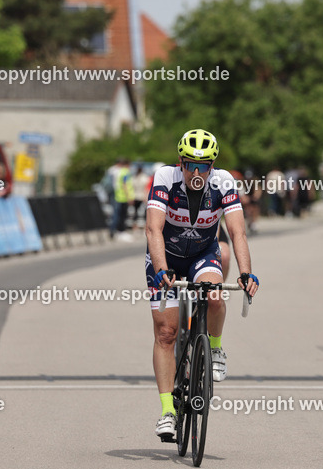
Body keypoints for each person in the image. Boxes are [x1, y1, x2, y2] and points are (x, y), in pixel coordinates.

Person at [145, 129, 259, 441]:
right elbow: (153, 229)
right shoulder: (165, 178)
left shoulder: (223, 183)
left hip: (202, 255)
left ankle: (216, 349)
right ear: (180, 162)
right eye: (190, 165)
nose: (197, 172)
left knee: (215, 296)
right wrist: (161, 269)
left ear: (212, 165)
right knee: (166, 333)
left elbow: (237, 232)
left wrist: (246, 272)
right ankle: (168, 411)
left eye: (204, 165)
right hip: (165, 257)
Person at [108, 157, 135, 241]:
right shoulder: (125, 172)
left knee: (116, 215)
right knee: (121, 216)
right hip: (123, 197)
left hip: (118, 196)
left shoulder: (117, 172)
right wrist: (129, 197)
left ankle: (113, 231)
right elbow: (125, 184)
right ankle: (119, 231)